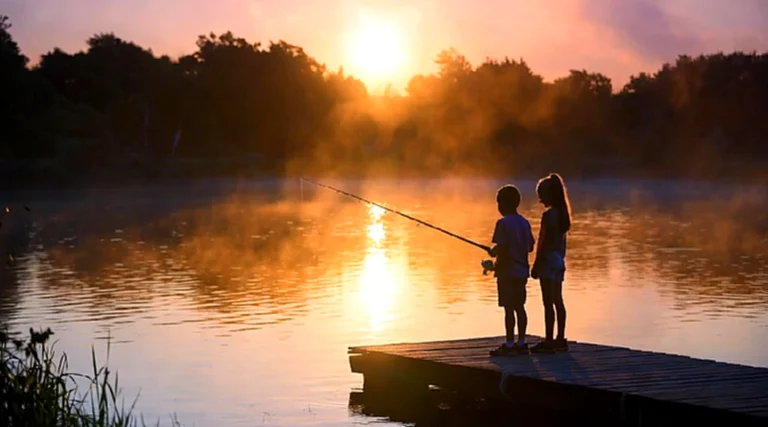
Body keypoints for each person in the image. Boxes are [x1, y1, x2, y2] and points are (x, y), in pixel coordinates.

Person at [486, 184, 535, 356]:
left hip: (507, 273)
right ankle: (521, 342)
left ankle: (509, 344)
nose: (498, 207)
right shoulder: (524, 223)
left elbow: (502, 248)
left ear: (503, 204)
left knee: (508, 308)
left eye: (499, 203)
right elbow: (530, 247)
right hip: (522, 272)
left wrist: (494, 257)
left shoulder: (502, 223)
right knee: (520, 307)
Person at [530, 173, 572, 353]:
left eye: (541, 196)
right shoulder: (563, 215)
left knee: (547, 303)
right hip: (559, 262)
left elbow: (543, 242)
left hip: (547, 262)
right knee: (558, 300)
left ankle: (548, 341)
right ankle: (560, 338)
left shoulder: (548, 216)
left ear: (549, 195)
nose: (540, 200)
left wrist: (536, 264)